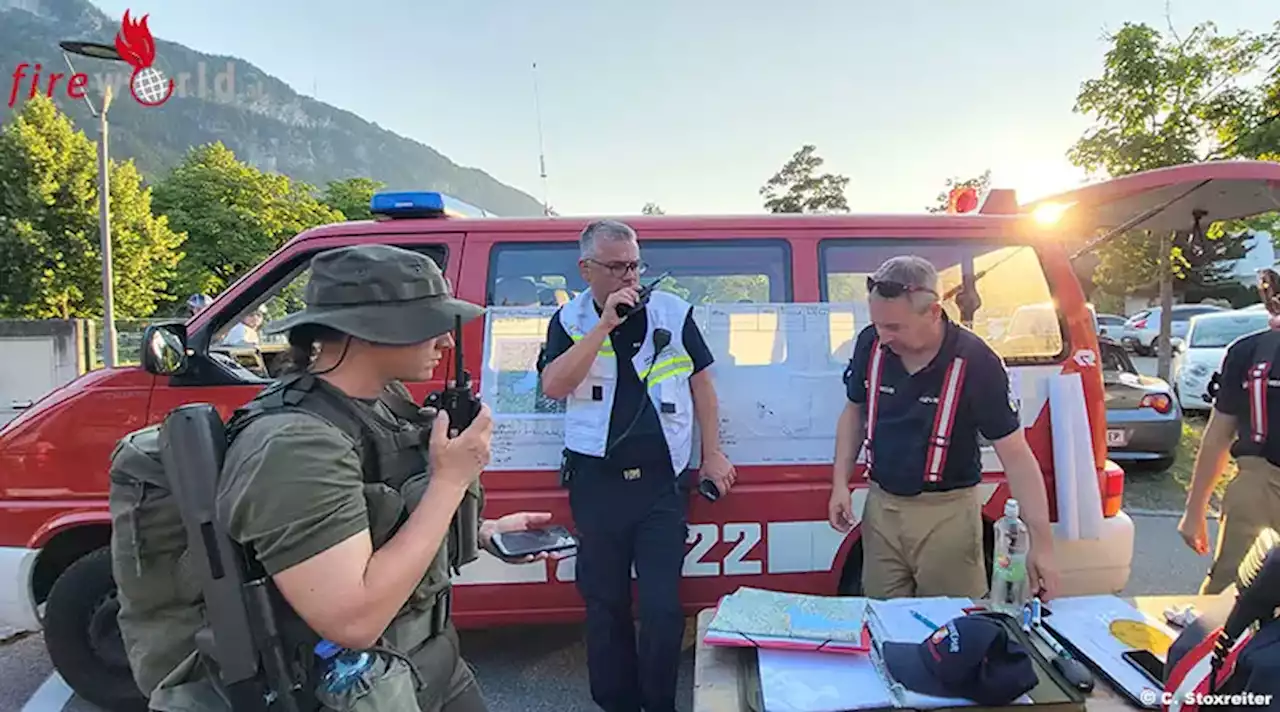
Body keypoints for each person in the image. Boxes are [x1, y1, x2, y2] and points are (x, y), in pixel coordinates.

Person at [116, 244, 556, 712]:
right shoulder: (294, 445)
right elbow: (353, 620)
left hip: (426, 665)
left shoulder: (380, 402)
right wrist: (450, 483)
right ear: (366, 331)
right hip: (356, 692)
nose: (446, 342)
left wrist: (485, 532)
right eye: (429, 325)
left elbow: (378, 524)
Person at [537, 219, 735, 712]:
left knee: (663, 608)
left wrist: (712, 453)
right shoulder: (569, 321)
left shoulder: (674, 312)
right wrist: (604, 324)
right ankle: (616, 701)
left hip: (660, 485)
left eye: (635, 264)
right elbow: (554, 387)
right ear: (586, 269)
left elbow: (703, 386)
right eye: (616, 267)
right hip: (596, 483)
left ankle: (658, 703)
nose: (630, 277)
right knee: (604, 604)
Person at [827, 255, 1060, 601]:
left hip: (948, 515)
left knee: (950, 630)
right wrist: (839, 483)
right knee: (882, 623)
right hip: (881, 509)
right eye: (877, 323)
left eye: (894, 327)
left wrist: (1042, 545)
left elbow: (1017, 457)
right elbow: (854, 411)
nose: (883, 336)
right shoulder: (870, 344)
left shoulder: (977, 362)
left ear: (933, 312)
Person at [1178, 275, 1280, 595]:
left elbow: (1218, 436)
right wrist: (1194, 510)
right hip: (1259, 484)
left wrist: (1194, 511)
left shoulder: (1249, 351)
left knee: (1233, 595)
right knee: (1233, 590)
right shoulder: (1250, 352)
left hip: (1258, 483)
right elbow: (1218, 435)